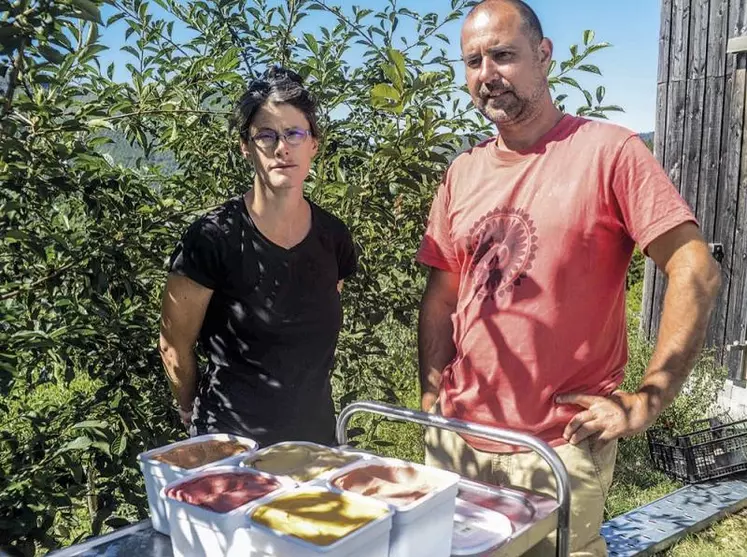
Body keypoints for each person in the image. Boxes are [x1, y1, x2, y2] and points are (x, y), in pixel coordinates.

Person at [416, 1, 721, 555]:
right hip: (457, 441)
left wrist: (648, 400)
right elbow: (441, 299)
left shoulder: (609, 151)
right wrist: (431, 395)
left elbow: (695, 269)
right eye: (473, 61)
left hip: (559, 448)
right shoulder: (461, 172)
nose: (487, 75)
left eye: (503, 55)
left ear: (544, 54)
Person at [158, 67, 356, 448]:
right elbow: (173, 343)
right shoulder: (212, 238)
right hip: (230, 451)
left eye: (295, 133)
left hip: (314, 446)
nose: (282, 148)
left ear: (314, 144)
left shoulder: (334, 238)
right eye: (266, 135)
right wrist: (190, 412)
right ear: (245, 147)